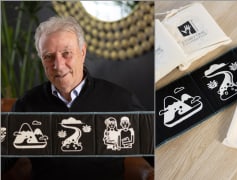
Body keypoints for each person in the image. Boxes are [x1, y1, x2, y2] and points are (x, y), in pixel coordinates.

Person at [2, 16, 153, 180]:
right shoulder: (27, 105)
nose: (58, 65)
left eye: (66, 53)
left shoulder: (121, 100)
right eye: (48, 56)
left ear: (82, 52)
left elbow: (157, 151)